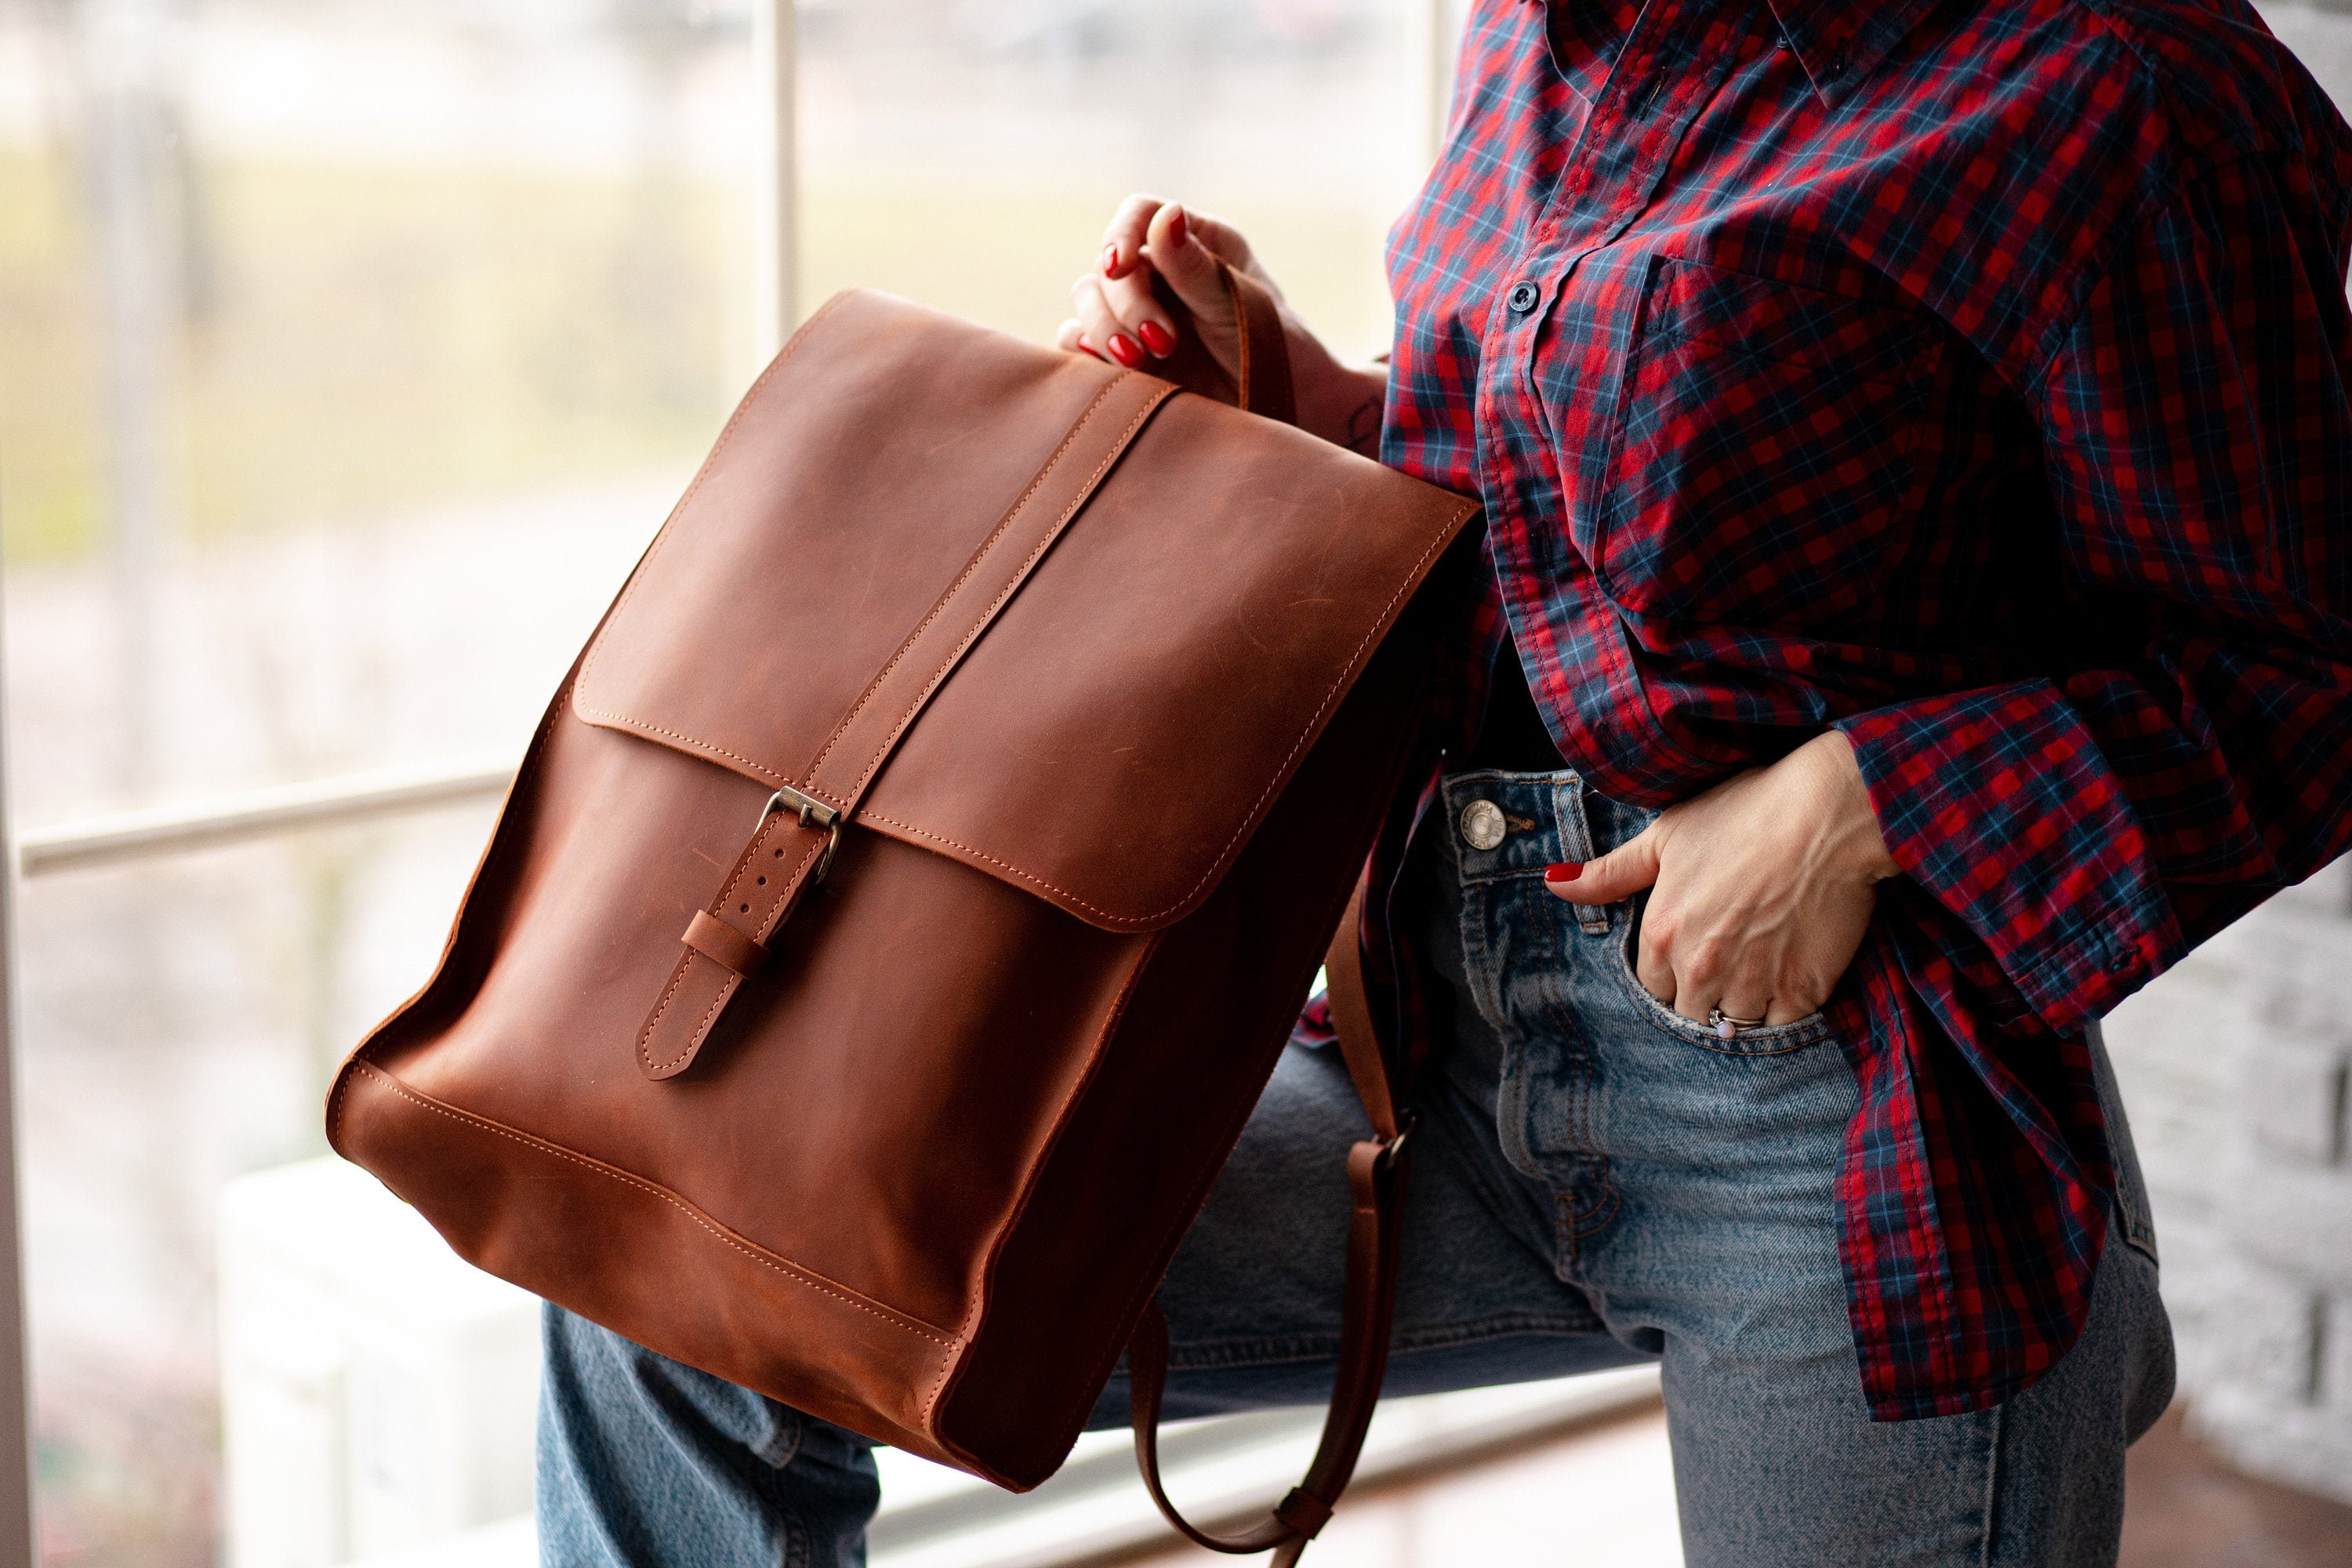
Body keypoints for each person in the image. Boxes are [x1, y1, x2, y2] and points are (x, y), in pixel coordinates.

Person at [537, 2, 2352, 1562]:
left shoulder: (2114, 82)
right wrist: (1306, 400)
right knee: (679, 1275)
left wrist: (1863, 804)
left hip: (1837, 1121)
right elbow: (1585, 492)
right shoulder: (1536, 32)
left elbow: (2304, 668)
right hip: (1431, 1044)